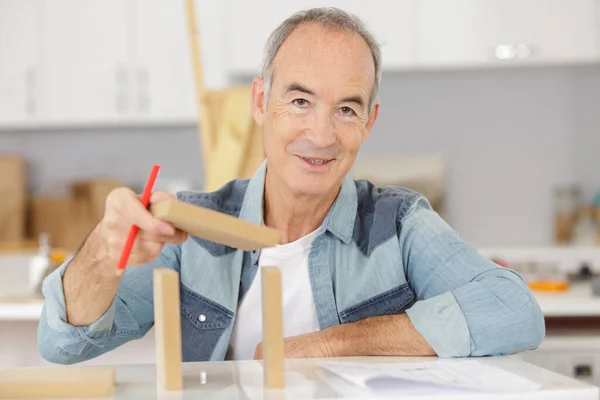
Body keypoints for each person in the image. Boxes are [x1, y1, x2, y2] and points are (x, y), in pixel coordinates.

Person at [38, 7, 544, 364]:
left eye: (346, 109)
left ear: (369, 121)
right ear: (260, 102)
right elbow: (62, 345)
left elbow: (513, 310)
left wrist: (324, 345)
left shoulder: (400, 223)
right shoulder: (191, 228)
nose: (321, 135)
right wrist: (104, 254)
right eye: (300, 101)